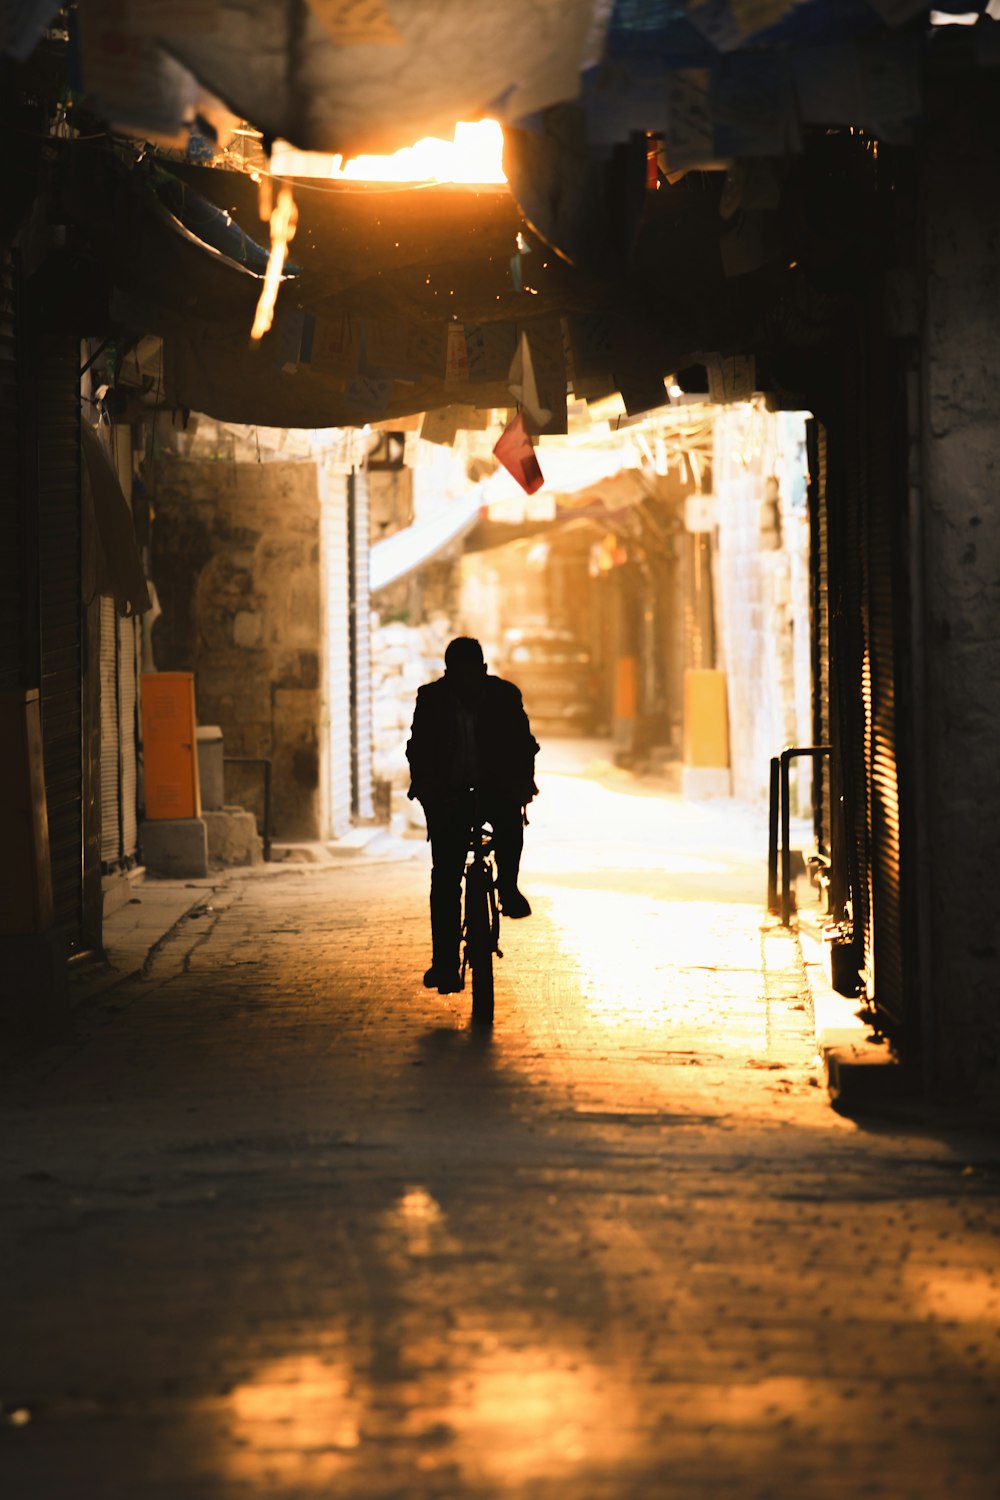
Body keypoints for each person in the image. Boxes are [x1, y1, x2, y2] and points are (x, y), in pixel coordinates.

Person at [406, 635, 539, 994]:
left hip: (495, 791)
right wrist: (426, 794)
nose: (465, 683)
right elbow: (417, 751)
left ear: (483, 670)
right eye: (457, 675)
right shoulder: (431, 700)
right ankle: (445, 963)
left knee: (511, 825)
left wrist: (524, 786)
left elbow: (524, 746)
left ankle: (508, 889)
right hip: (449, 797)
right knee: (445, 880)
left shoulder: (505, 697)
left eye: (471, 674)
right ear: (447, 673)